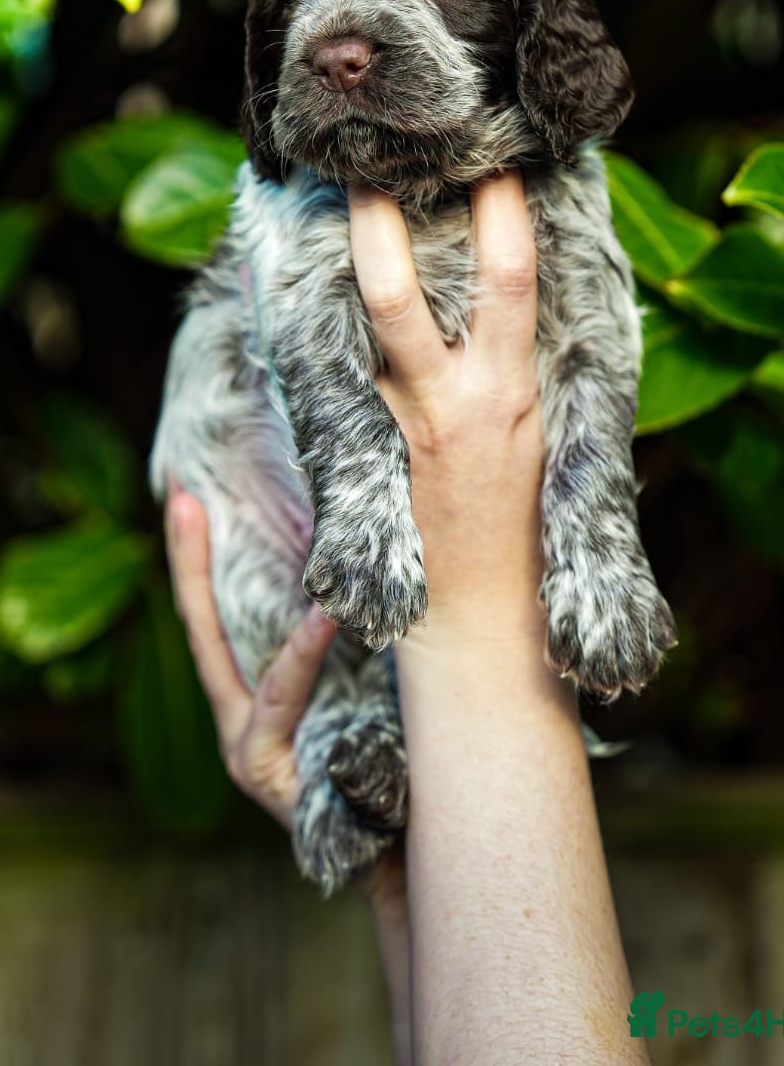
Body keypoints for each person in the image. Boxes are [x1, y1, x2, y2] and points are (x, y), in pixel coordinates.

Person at [164, 171, 650, 1066]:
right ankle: (347, 722)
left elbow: (598, 337)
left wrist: (477, 612)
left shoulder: (564, 172)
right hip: (301, 608)